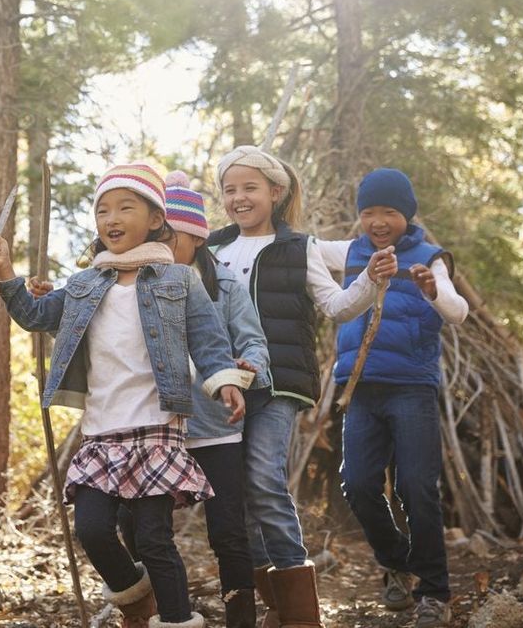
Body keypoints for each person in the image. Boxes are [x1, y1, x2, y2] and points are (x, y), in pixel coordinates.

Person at [0, 161, 253, 628]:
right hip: (102, 431)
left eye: (125, 207)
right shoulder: (85, 284)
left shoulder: (178, 281)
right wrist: (7, 270)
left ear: (154, 220)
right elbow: (36, 315)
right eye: (102, 209)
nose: (111, 218)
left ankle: (175, 618)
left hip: (155, 429)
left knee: (153, 538)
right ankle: (136, 601)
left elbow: (209, 340)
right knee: (92, 530)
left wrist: (225, 380)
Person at [207, 146, 397, 628]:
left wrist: (371, 282)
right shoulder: (212, 249)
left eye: (250, 188)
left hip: (279, 383)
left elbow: (335, 306)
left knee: (264, 480)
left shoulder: (300, 248)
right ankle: (270, 603)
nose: (239, 197)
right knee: (236, 491)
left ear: (276, 191)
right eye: (230, 189)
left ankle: (299, 612)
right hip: (223, 382)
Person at [116, 171, 270, 628]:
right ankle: (163, 611)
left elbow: (254, 343)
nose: (162, 244)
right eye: (158, 235)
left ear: (197, 240)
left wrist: (248, 367)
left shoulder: (226, 288)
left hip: (215, 428)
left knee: (228, 533)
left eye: (172, 237)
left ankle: (240, 617)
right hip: (157, 427)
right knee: (137, 526)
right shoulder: (134, 283)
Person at [320, 168, 467, 628]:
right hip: (360, 388)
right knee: (359, 483)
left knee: (416, 488)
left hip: (412, 388)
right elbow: (295, 244)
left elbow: (457, 312)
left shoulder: (429, 256)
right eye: (368, 212)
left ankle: (434, 592)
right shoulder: (349, 252)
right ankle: (398, 563)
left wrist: (430, 291)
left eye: (389, 212)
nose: (378, 221)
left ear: (407, 214)